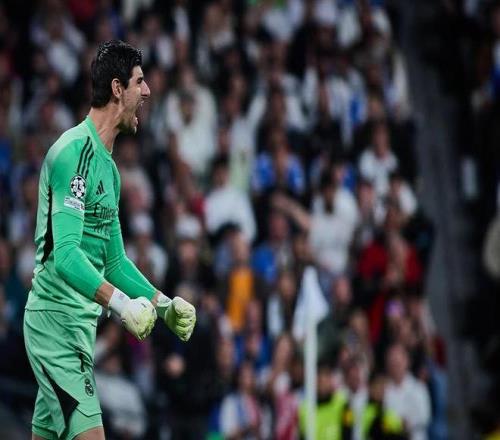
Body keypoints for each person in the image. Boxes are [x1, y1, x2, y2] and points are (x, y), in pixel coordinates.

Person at [23, 40, 197, 440]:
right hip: (55, 326)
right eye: (140, 82)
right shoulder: (72, 153)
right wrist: (120, 304)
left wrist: (163, 306)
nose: (148, 91)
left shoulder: (110, 171)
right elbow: (66, 256)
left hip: (79, 330)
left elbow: (115, 261)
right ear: (118, 88)